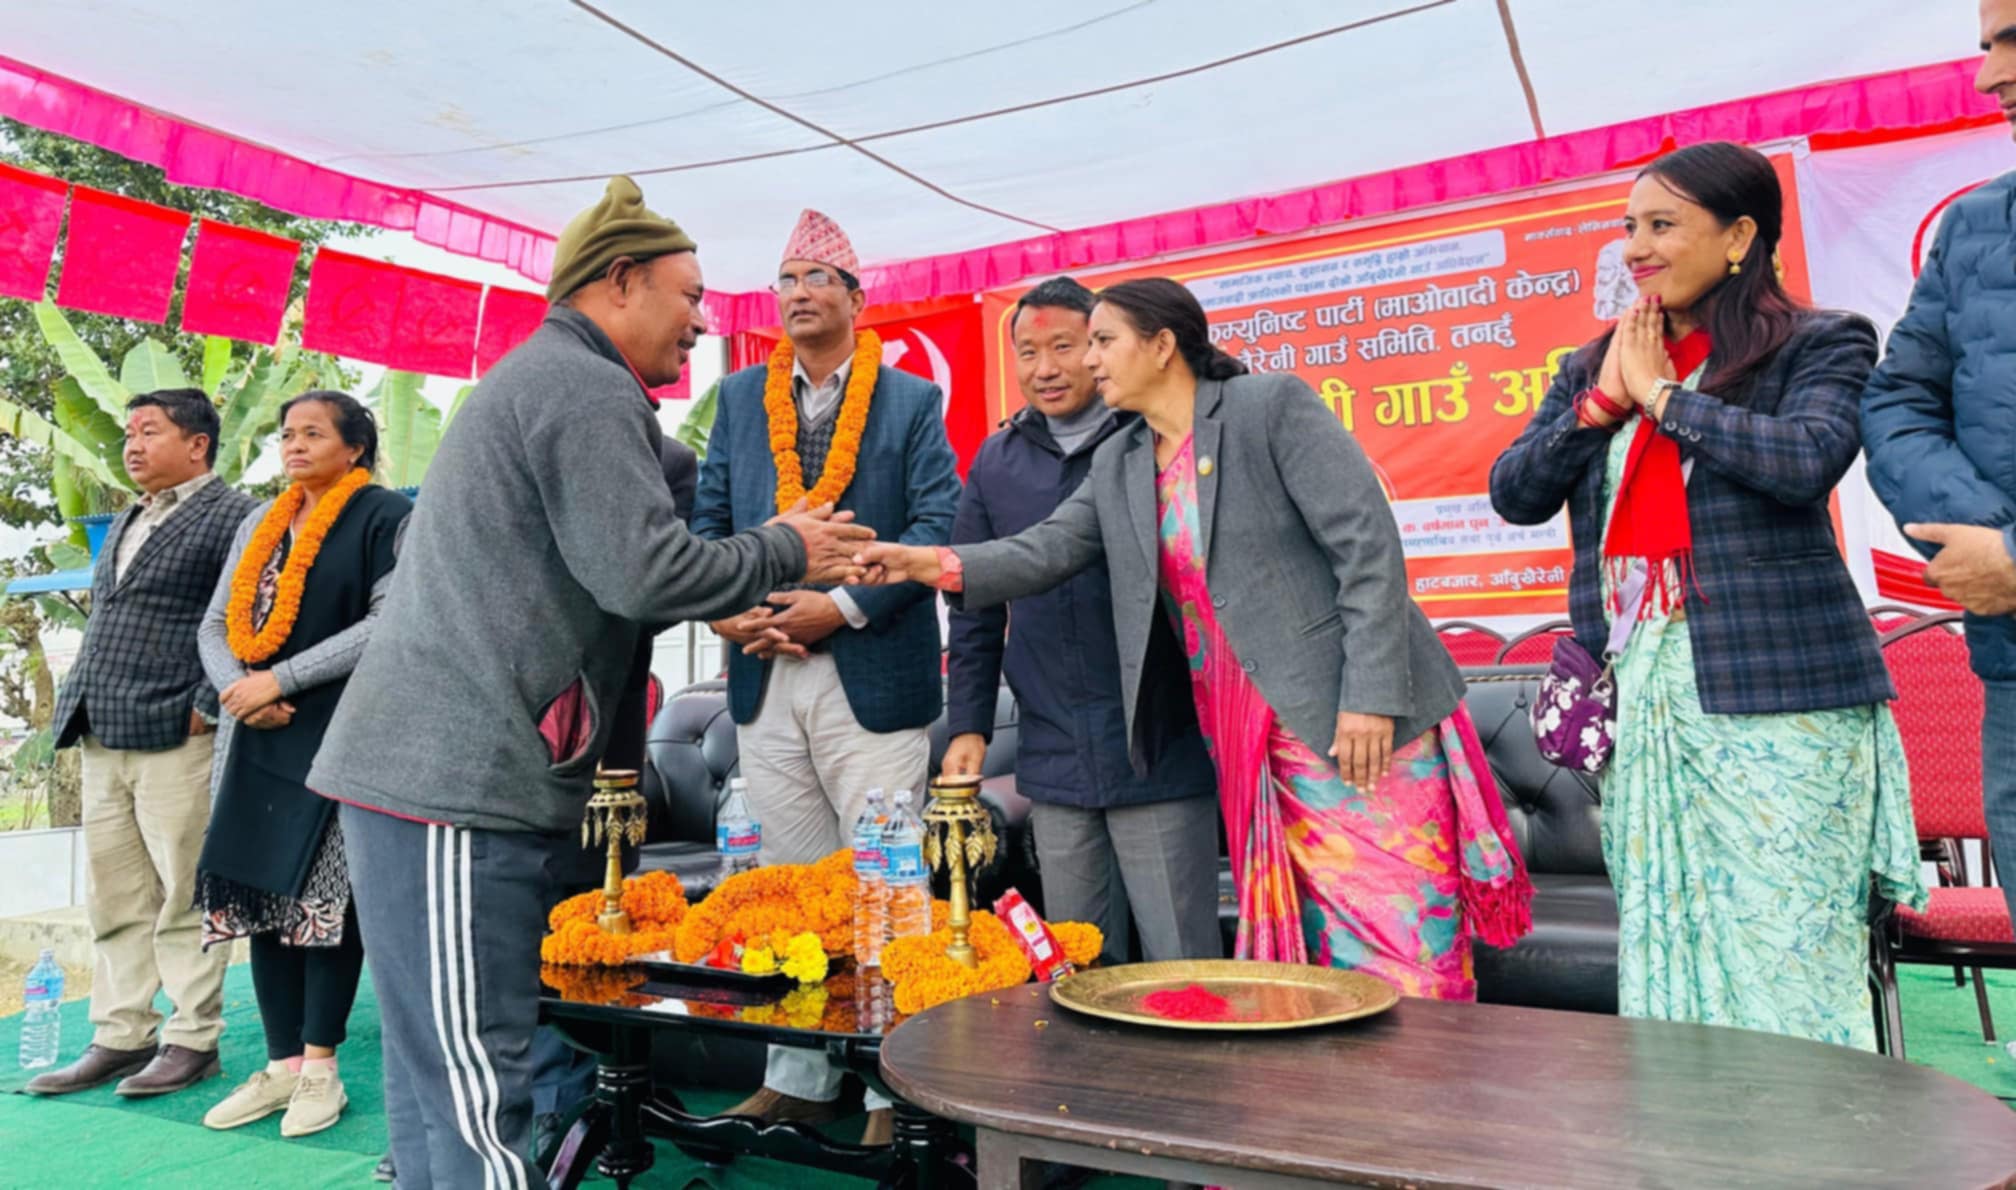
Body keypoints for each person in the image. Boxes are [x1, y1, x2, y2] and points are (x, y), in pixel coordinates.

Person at [306, 176, 875, 1190]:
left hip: (433, 777)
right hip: (454, 778)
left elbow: (621, 557)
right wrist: (788, 547)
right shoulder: (581, 385)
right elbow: (641, 570)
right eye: (689, 295)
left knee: (439, 1073)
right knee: (476, 1083)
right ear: (619, 283)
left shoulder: (559, 379)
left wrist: (726, 590)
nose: (704, 321)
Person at [858, 277, 1531, 1001]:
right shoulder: (1123, 458)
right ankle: (1333, 1076)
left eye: (1102, 342)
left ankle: (1421, 1066)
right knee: (1309, 949)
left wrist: (1369, 697)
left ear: (1161, 345)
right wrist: (924, 563)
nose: (1089, 361)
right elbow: (1045, 549)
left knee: (1398, 926)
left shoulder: (1266, 408)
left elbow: (1366, 549)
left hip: (1353, 718)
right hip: (1248, 733)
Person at [1490, 141, 1925, 1050]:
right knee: (1668, 934)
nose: (1635, 248)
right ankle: (1695, 1124)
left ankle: (1813, 1121)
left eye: (1662, 225)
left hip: (1779, 695)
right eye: (1629, 227)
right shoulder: (1596, 363)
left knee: (1786, 939)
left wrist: (1665, 398)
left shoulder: (1819, 342)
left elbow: (1805, 461)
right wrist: (1600, 407)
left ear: (1738, 237)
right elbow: (1515, 492)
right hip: (1644, 696)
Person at [691, 209, 960, 1141]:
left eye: (817, 278)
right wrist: (729, 612)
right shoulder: (738, 398)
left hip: (870, 668)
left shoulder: (910, 400)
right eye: (786, 279)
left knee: (884, 884)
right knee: (786, 878)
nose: (798, 293)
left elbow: (936, 529)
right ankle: (799, 1077)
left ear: (856, 298)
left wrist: (839, 606)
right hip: (764, 665)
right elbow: (708, 523)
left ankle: (894, 1090)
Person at [943, 275, 1219, 965]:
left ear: (1100, 347)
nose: (1046, 369)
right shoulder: (996, 461)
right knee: (1076, 961)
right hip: (1054, 753)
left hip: (1158, 745)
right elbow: (974, 609)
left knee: (1183, 961)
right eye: (1028, 353)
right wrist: (969, 726)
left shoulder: (1153, 439)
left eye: (1065, 346)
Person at [191, 391, 410, 1137]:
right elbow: (216, 624)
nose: (294, 444)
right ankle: (281, 1065)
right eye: (287, 433)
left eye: (313, 433)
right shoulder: (262, 519)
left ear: (355, 447)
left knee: (324, 905)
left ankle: (321, 1070)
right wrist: (239, 690)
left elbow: (388, 622)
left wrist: (280, 680)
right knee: (260, 892)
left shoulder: (385, 516)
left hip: (336, 736)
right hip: (251, 735)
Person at [27, 390, 257, 1099]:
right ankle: (121, 1035)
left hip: (175, 731)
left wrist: (205, 705)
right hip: (101, 727)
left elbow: (245, 617)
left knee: (184, 892)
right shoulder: (131, 515)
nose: (131, 444)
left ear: (197, 444)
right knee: (117, 896)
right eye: (129, 432)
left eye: (149, 431)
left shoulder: (236, 515)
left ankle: (192, 1039)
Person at [1862, 0, 2016, 926]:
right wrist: (1991, 545)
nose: (1991, 75)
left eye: (2012, 41)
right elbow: (1898, 404)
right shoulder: (1974, 227)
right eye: (1986, 46)